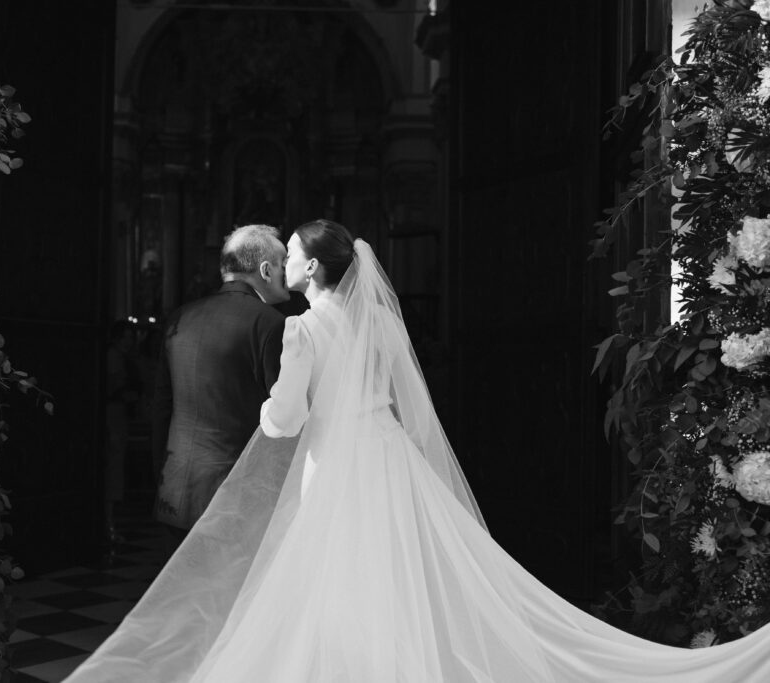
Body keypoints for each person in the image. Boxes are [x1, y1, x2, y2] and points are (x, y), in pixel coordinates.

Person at [69, 220, 770, 682]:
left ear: (311, 267)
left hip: (335, 465)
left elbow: (283, 421)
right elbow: (403, 396)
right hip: (388, 458)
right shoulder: (377, 322)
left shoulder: (302, 331)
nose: (285, 261)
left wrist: (267, 412)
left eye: (293, 252)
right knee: (395, 574)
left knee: (336, 580)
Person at [151, 224, 290, 545]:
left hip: (176, 490)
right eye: (283, 263)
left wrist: (162, 475)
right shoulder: (271, 325)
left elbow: (161, 407)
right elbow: (282, 420)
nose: (287, 271)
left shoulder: (180, 318)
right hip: (234, 497)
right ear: (265, 270)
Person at [104, 319, 140, 544]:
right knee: (112, 468)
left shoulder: (122, 358)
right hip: (113, 416)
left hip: (118, 416)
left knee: (115, 468)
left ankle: (110, 522)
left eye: (131, 337)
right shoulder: (114, 358)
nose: (128, 342)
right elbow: (113, 387)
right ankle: (108, 524)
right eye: (125, 337)